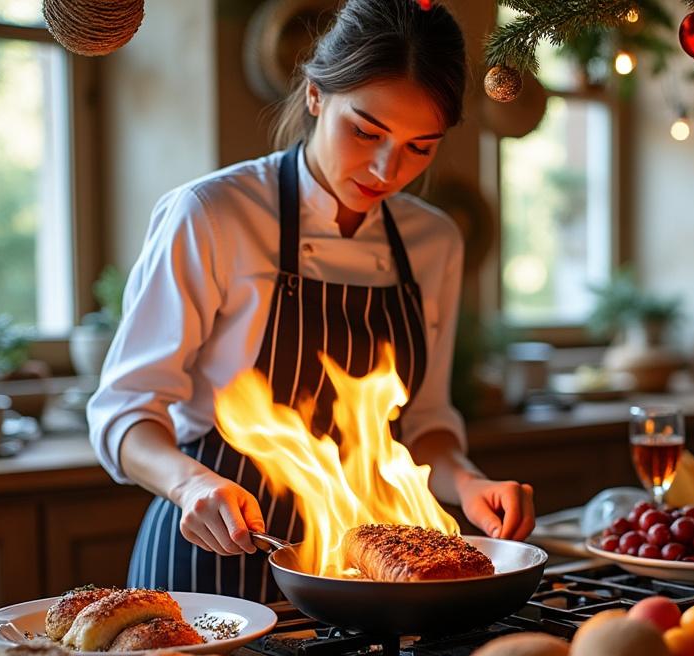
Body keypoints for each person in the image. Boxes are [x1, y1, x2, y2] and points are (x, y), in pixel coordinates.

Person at [87, 0, 535, 603]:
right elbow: (124, 414)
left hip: (366, 578)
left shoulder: (433, 242)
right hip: (220, 557)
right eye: (366, 131)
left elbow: (424, 426)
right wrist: (190, 485)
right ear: (317, 94)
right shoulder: (215, 215)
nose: (386, 168)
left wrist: (469, 481)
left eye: (419, 146)